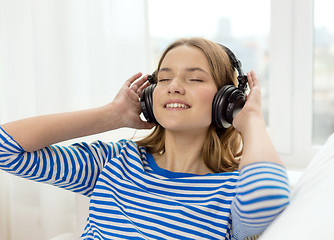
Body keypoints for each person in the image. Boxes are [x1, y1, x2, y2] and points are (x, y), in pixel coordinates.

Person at [0, 37, 289, 240]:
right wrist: (112, 115)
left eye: (195, 78)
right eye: (163, 79)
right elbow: (5, 148)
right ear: (149, 97)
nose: (174, 86)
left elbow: (268, 198)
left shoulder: (230, 190)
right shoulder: (113, 161)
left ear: (225, 101)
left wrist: (249, 119)